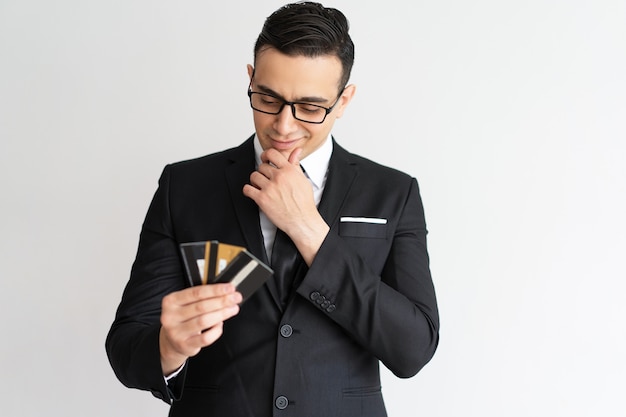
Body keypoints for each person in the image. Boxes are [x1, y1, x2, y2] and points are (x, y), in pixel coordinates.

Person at [106, 2, 439, 416]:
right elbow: (125, 346)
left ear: (344, 100)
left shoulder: (394, 193)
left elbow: (413, 348)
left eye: (311, 108)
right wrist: (168, 348)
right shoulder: (185, 186)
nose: (283, 126)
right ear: (251, 79)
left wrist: (307, 229)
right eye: (267, 98)